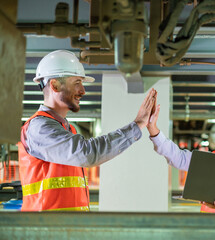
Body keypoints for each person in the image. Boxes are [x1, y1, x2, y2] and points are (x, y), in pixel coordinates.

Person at [18, 50, 156, 211]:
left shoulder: (67, 128)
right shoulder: (39, 128)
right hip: (46, 231)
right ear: (54, 85)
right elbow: (86, 153)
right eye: (76, 82)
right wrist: (137, 125)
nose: (83, 90)